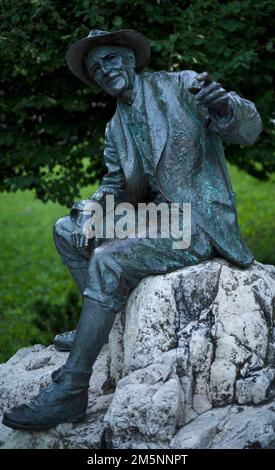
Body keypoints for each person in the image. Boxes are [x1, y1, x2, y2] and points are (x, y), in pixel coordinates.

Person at [3, 29, 262, 430]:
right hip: (156, 217)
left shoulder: (182, 85)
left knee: (108, 259)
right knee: (66, 230)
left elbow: (249, 128)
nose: (104, 71)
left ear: (128, 59)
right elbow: (116, 188)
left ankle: (71, 390)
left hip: (198, 220)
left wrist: (227, 108)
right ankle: (107, 324)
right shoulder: (115, 127)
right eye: (95, 69)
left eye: (109, 60)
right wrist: (94, 209)